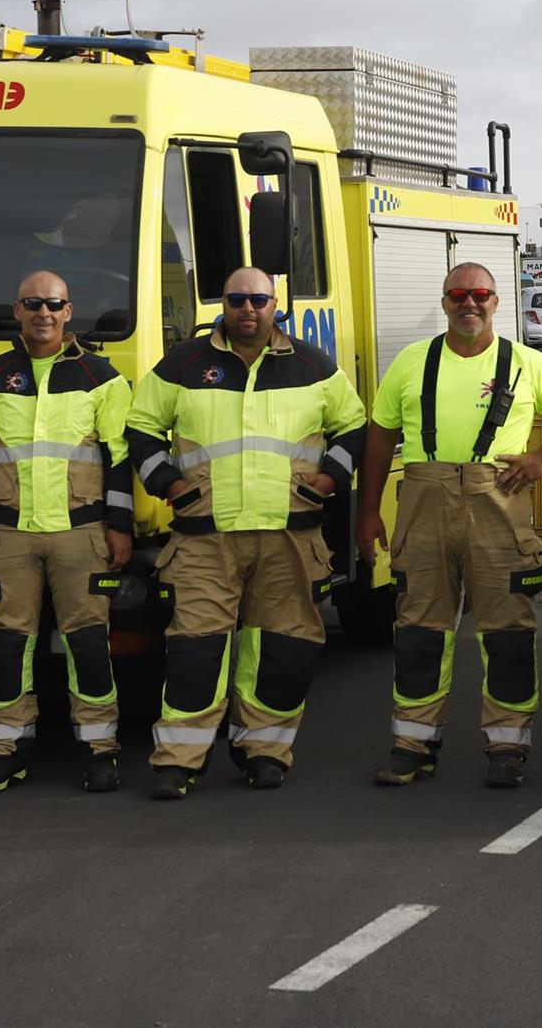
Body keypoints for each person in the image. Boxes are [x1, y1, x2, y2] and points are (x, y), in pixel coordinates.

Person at [126, 267, 367, 799]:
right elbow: (140, 428)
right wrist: (169, 485)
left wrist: (329, 479)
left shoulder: (313, 365)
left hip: (289, 534)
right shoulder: (184, 364)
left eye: (258, 299)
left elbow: (354, 426)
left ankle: (265, 751)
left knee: (283, 649)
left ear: (275, 303)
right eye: (237, 299)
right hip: (203, 535)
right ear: (224, 304)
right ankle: (179, 760)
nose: (248, 309)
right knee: (194, 649)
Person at [356, 263, 542, 789]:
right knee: (418, 629)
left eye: (480, 294)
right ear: (443, 302)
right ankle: (412, 744)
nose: (470, 303)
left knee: (507, 631)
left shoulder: (526, 362)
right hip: (423, 502)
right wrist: (367, 512)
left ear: (495, 301)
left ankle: (508, 746)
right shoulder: (412, 363)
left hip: (498, 505)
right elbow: (377, 438)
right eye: (458, 294)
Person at [0, 271, 135, 795]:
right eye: (32, 304)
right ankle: (5, 750)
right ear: (17, 311)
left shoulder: (102, 378)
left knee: (88, 644)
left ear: (68, 311)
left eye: (52, 305)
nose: (43, 313)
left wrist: (119, 527)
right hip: (8, 535)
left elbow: (118, 457)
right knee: (7, 644)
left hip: (82, 534)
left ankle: (100, 751)